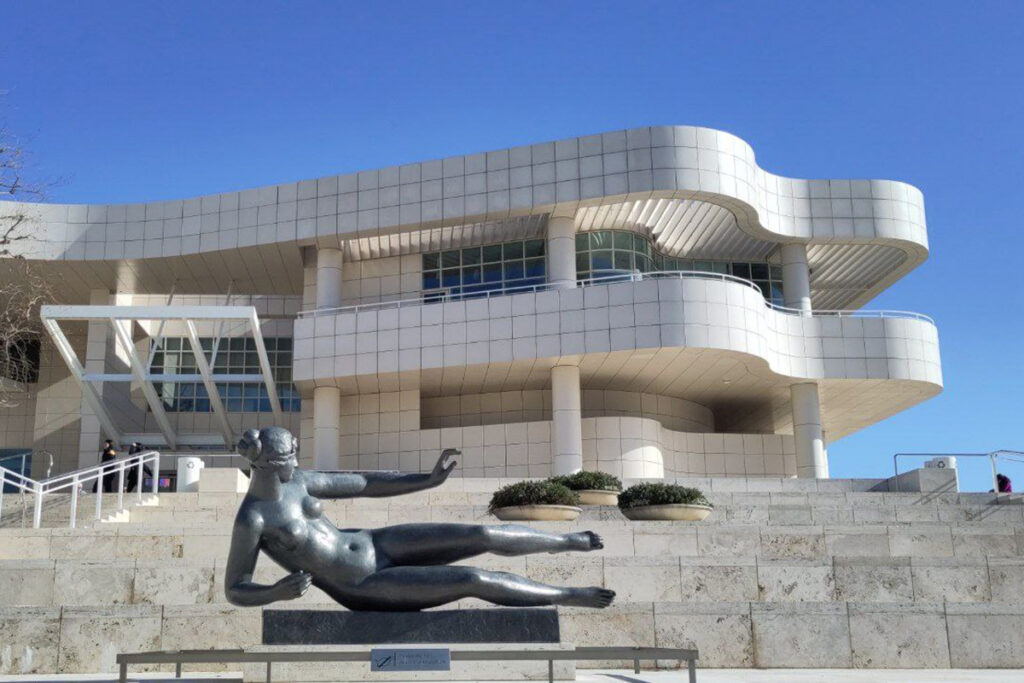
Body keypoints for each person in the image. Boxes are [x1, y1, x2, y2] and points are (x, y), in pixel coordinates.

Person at [224, 427, 615, 612]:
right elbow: (235, 588)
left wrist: (425, 480)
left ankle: (565, 542)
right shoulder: (253, 519)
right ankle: (569, 596)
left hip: (376, 543)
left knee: (480, 533)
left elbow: (364, 483)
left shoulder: (302, 481)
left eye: (294, 455)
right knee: (472, 579)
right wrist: (276, 592)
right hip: (361, 583)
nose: (294, 464)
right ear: (264, 464)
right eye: (286, 461)